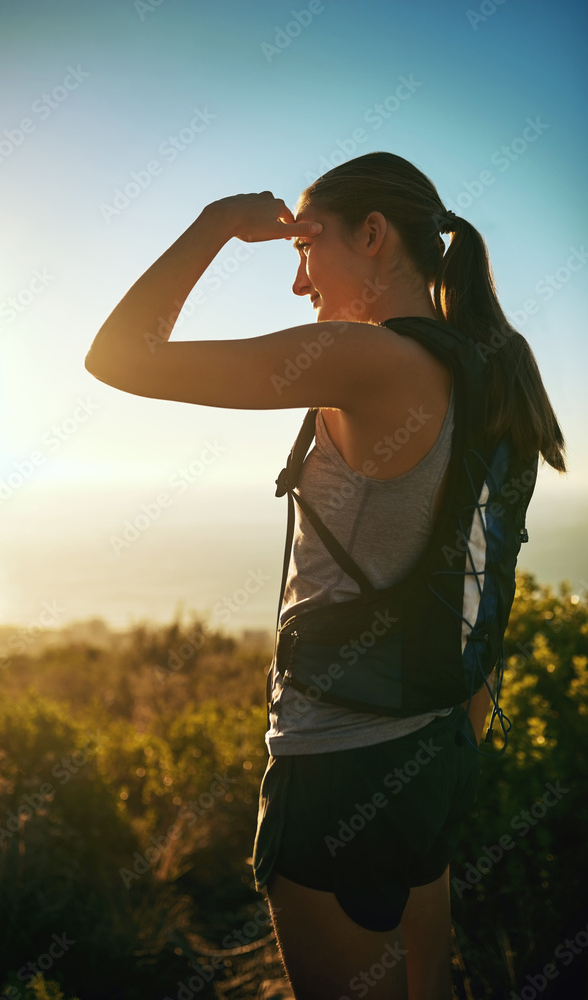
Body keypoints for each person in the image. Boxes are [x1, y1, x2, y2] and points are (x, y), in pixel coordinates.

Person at [85, 151, 565, 1000]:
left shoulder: (364, 360)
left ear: (373, 235)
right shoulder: (491, 369)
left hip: (340, 765)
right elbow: (485, 562)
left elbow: (120, 357)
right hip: (436, 743)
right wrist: (449, 728)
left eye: (307, 246)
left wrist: (215, 226)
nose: (299, 283)